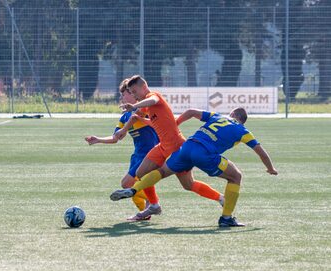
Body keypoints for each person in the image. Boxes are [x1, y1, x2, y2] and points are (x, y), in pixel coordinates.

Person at [111, 107, 278, 227]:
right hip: (204, 154)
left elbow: (191, 111)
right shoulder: (243, 130)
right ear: (242, 120)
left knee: (162, 172)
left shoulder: (218, 116)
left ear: (232, 114)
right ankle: (226, 218)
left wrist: (175, 124)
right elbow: (261, 152)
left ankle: (134, 189)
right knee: (236, 176)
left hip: (187, 147)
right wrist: (270, 168)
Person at [111, 76, 224, 219]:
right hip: (163, 146)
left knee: (188, 185)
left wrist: (134, 106)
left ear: (143, 87)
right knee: (141, 173)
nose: (134, 96)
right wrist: (124, 130)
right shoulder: (143, 105)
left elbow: (153, 101)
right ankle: (154, 205)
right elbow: (134, 117)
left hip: (178, 147)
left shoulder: (153, 96)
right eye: (131, 93)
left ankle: (221, 198)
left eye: (134, 92)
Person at [85, 79, 159, 219]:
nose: (122, 98)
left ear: (133, 94)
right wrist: (98, 139)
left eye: (125, 94)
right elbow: (115, 138)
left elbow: (145, 116)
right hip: (137, 155)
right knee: (132, 184)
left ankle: (152, 202)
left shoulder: (144, 110)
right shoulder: (124, 117)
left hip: (149, 153)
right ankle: (145, 212)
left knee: (126, 183)